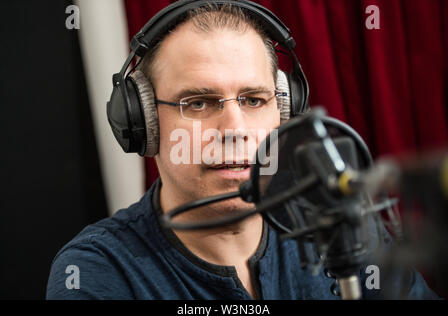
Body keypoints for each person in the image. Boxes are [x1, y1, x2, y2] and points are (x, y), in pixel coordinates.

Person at [46, 1, 438, 300]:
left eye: (252, 100)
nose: (234, 129)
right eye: (198, 102)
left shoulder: (343, 225)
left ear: (283, 111)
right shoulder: (98, 272)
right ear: (145, 123)